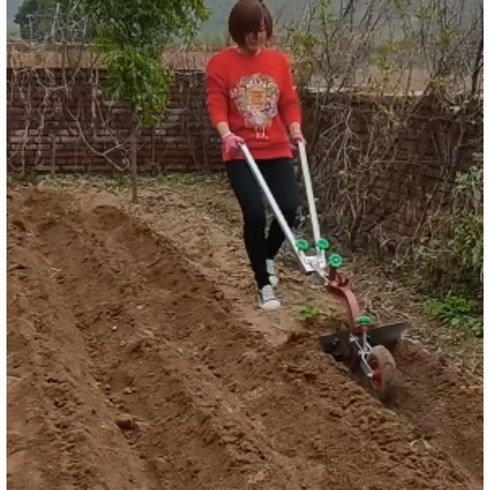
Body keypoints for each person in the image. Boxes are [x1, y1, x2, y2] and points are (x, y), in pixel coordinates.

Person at [205, 0, 306, 311]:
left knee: (290, 210)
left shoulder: (279, 62)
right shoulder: (220, 64)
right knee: (254, 215)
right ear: (239, 31)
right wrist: (227, 135)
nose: (257, 38)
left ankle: (267, 256)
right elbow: (216, 105)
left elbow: (288, 101)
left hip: (275, 148)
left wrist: (295, 129)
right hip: (240, 152)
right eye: (250, 32)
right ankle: (264, 284)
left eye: (261, 31)